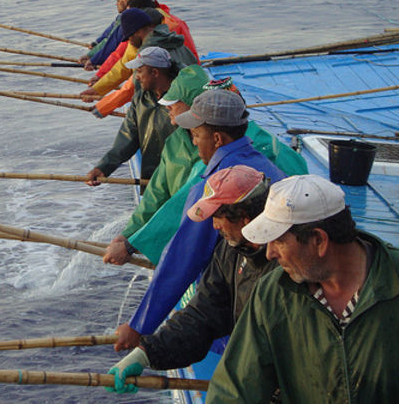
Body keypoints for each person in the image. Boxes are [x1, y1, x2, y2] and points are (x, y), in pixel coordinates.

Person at [114, 90, 287, 351]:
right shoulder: (270, 169)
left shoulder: (214, 190)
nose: (194, 143)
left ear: (216, 138)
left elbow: (182, 259)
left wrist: (140, 326)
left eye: (196, 135)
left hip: (240, 320)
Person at [206, 175, 399, 403]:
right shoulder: (272, 294)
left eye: (278, 241)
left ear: (319, 240)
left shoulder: (392, 278)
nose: (269, 253)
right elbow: (234, 389)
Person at [102, 69, 307, 266]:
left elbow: (184, 209)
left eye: (173, 104)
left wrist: (133, 244)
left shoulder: (225, 163)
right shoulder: (178, 142)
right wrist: (129, 234)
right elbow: (157, 192)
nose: (168, 109)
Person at [106, 165, 279, 393]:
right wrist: (147, 353)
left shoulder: (286, 267)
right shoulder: (230, 252)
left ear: (245, 219)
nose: (214, 226)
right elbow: (203, 314)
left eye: (218, 217)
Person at [85, 46, 179, 187]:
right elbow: (128, 136)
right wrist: (103, 167)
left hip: (179, 177)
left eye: (139, 71)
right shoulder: (140, 99)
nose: (136, 77)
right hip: (153, 178)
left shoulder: (181, 100)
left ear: (155, 72)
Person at [81, 7, 197, 102]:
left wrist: (102, 107)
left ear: (138, 32)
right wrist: (97, 89)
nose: (129, 42)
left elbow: (133, 88)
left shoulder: (148, 55)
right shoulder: (173, 40)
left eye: (130, 37)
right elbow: (123, 67)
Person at [79, 0, 152, 69]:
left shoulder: (132, 16)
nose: (117, 3)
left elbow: (115, 42)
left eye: (119, 0)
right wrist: (95, 48)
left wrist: (94, 60)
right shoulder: (150, 7)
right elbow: (110, 36)